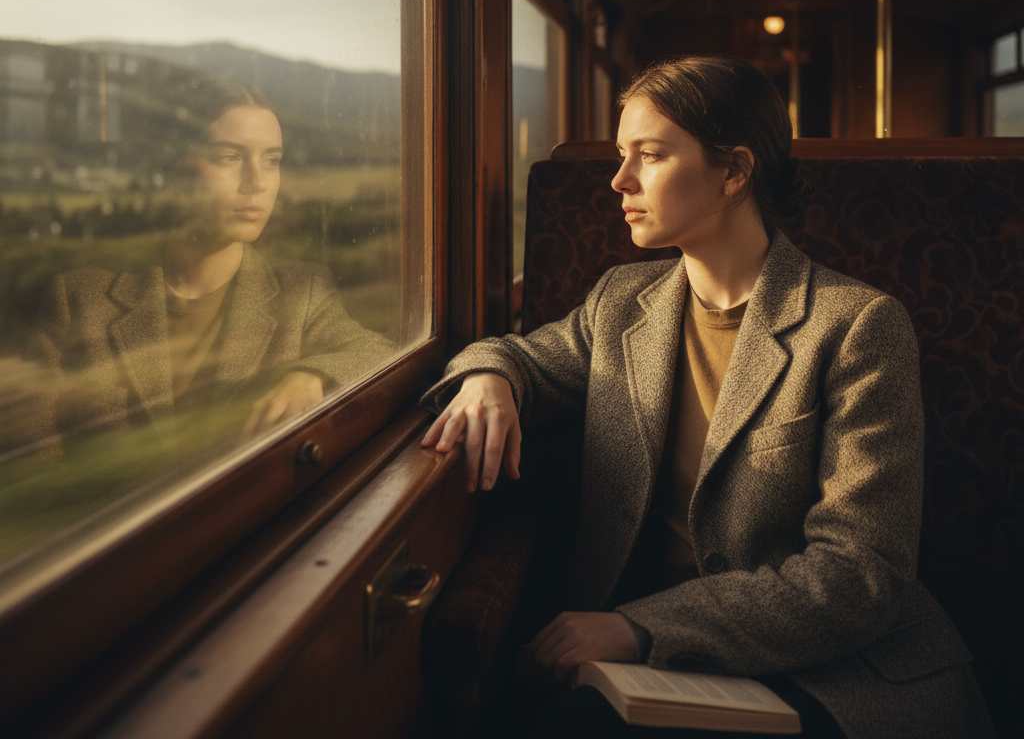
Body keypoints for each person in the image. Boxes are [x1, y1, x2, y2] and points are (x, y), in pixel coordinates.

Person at [420, 56, 993, 739]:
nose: (619, 180)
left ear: (734, 172)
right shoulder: (621, 302)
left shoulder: (857, 326)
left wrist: (639, 627)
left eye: (650, 156)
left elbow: (859, 572)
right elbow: (518, 357)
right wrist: (490, 380)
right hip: (657, 671)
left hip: (830, 672)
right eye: (620, 155)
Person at [30, 75, 393, 447]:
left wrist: (312, 374)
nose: (257, 182)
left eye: (271, 160)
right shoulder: (80, 298)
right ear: (176, 170)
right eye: (229, 157)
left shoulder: (302, 292)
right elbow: (33, 461)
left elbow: (379, 353)